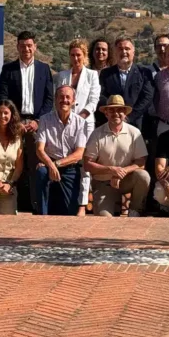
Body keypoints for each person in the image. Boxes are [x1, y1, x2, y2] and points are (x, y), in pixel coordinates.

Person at [0, 31, 53, 213]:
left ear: (35, 47)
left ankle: (37, 207)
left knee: (36, 165)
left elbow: (49, 99)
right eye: (22, 45)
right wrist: (15, 121)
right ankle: (15, 205)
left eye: (29, 45)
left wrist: (37, 120)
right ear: (17, 47)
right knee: (15, 164)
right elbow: (2, 97)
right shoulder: (8, 69)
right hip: (15, 124)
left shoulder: (44, 69)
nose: (26, 49)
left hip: (37, 124)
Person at [83, 94, 150, 217]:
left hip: (126, 180)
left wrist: (122, 172)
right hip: (103, 183)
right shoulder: (96, 134)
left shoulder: (134, 132)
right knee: (104, 219)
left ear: (125, 114)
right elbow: (87, 164)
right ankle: (111, 205)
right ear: (106, 113)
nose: (116, 113)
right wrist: (111, 170)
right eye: (111, 110)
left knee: (143, 176)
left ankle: (135, 211)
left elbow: (141, 162)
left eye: (120, 110)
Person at [55, 38, 100, 215]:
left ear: (85, 56)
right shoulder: (61, 76)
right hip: (64, 123)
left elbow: (93, 101)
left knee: (84, 163)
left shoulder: (92, 75)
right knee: (66, 158)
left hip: (85, 123)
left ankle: (82, 204)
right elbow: (58, 100)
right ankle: (67, 201)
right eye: (72, 55)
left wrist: (79, 118)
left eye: (79, 55)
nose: (75, 58)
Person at [35, 85, 87, 215]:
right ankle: (42, 216)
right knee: (41, 172)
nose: (64, 100)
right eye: (61, 97)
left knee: (69, 212)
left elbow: (79, 154)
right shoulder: (45, 119)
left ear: (73, 101)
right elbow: (39, 149)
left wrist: (56, 164)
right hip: (48, 164)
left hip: (69, 168)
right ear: (55, 99)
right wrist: (50, 164)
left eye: (68, 97)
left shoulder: (80, 122)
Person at [97, 36, 154, 131]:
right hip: (111, 122)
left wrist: (129, 116)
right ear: (115, 52)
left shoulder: (144, 73)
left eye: (127, 49)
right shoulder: (106, 73)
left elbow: (147, 97)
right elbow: (101, 95)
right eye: (120, 49)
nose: (124, 52)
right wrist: (113, 113)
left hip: (136, 123)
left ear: (133, 52)